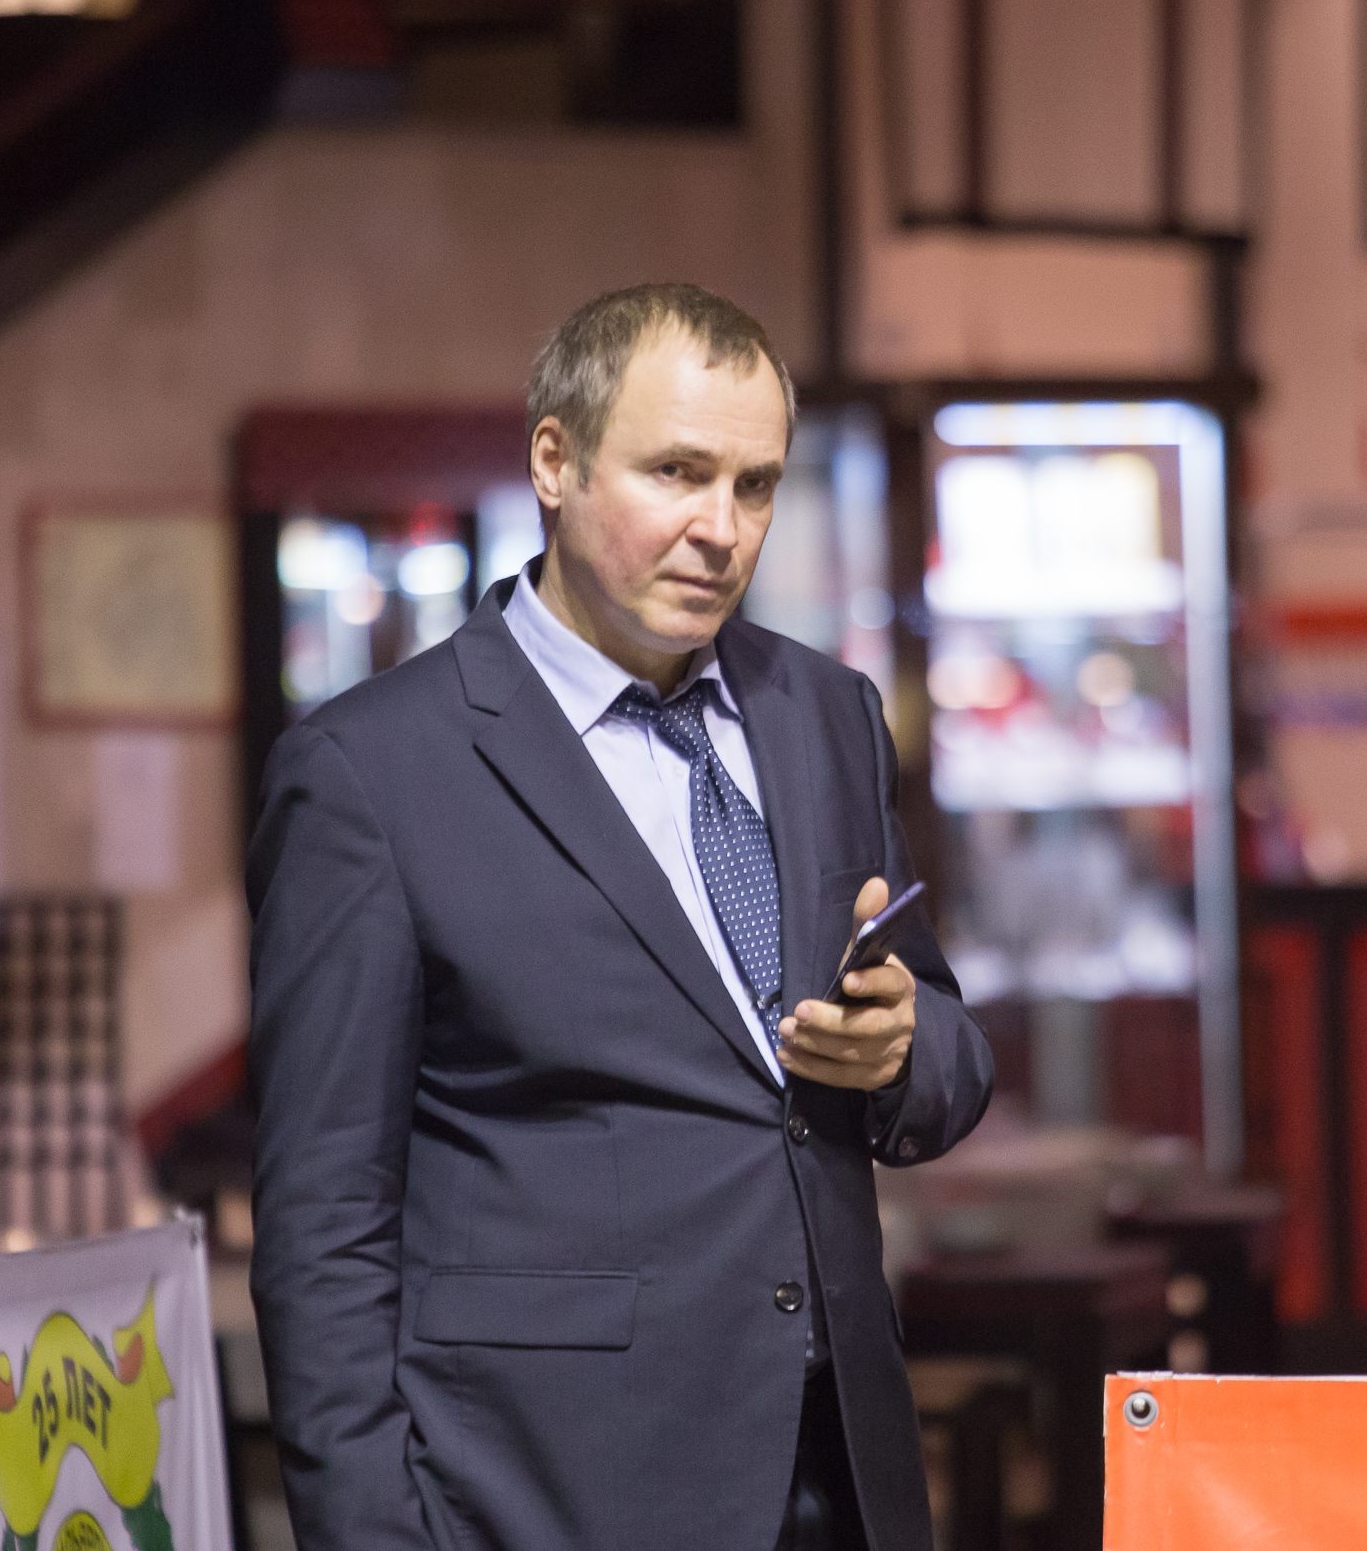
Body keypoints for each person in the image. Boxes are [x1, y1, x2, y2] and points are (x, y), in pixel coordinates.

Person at [246, 283, 994, 1551]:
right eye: (677, 473)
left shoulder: (825, 713)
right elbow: (326, 1221)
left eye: (755, 485)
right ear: (555, 460)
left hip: (842, 1469)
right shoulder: (373, 772)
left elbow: (948, 1049)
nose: (721, 529)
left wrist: (902, 1045)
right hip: (556, 1488)